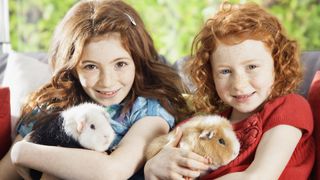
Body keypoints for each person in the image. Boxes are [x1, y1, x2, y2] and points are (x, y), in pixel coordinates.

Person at [0, 0, 192, 179]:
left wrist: (23, 152)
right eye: (90, 66)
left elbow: (113, 171)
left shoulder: (149, 109)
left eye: (120, 64)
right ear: (73, 68)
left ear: (138, 62)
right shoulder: (52, 106)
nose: (107, 82)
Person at [144, 2, 315, 180]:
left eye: (252, 67)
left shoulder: (289, 107)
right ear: (211, 75)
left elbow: (258, 176)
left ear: (277, 66)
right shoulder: (208, 123)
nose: (239, 84)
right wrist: (152, 166)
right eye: (225, 71)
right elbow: (164, 151)